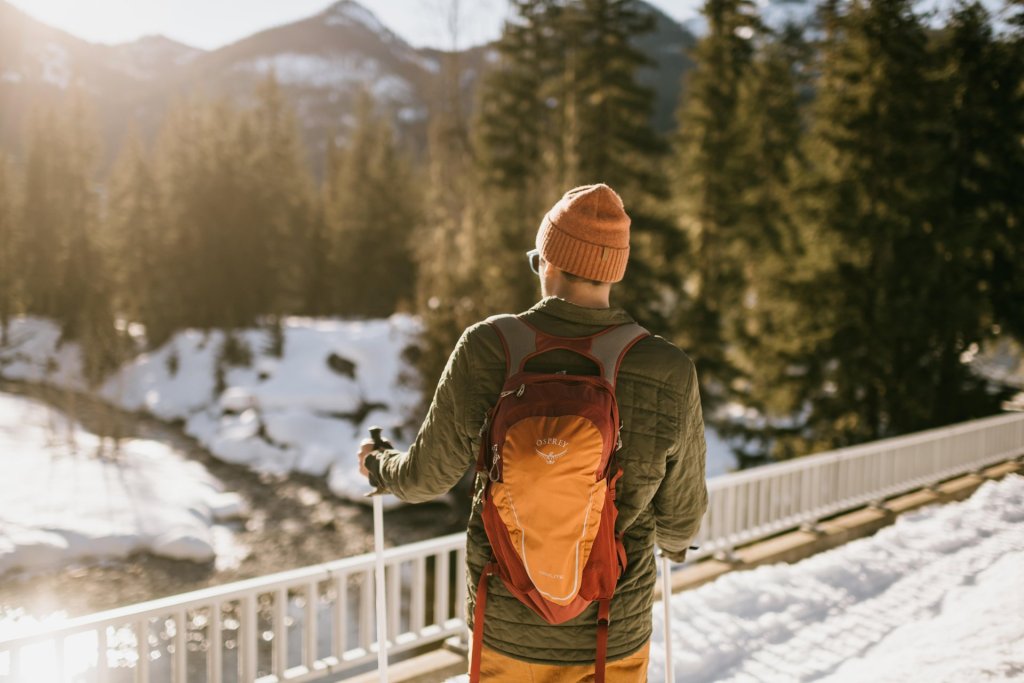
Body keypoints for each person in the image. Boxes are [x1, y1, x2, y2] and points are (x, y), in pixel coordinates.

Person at [359, 183, 708, 681]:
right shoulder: (667, 367)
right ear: (614, 271)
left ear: (548, 260)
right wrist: (674, 545)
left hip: (506, 624)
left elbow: (426, 478)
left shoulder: (488, 346)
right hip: (612, 630)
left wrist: (378, 464)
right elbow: (682, 515)